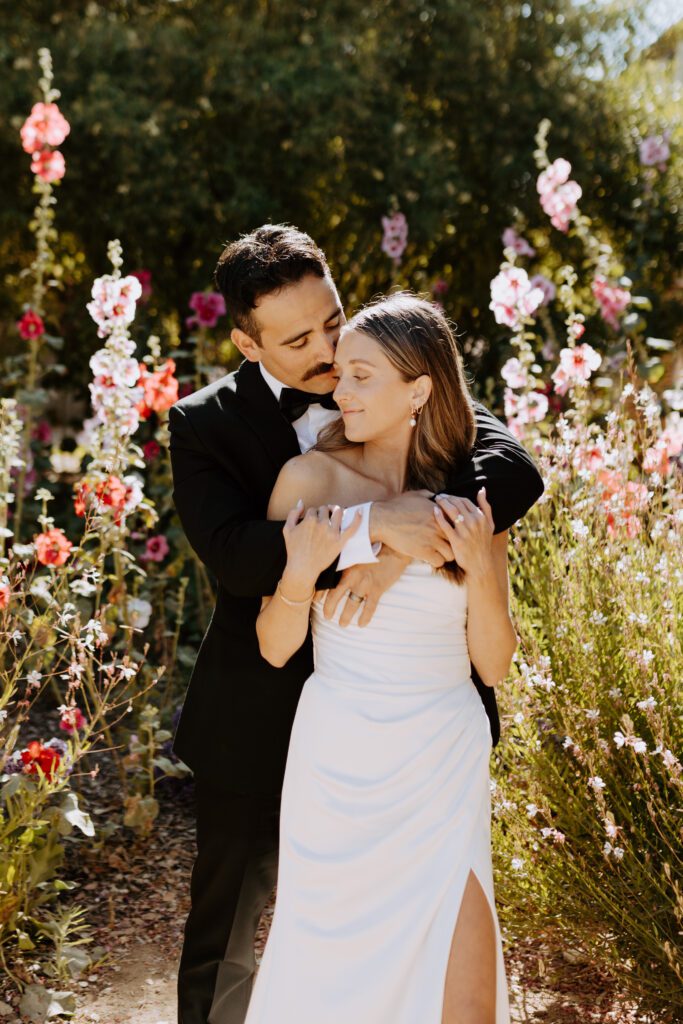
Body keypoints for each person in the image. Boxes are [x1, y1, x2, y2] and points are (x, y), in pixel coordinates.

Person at [169, 225, 544, 1024]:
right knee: (232, 942)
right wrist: (380, 525)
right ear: (246, 340)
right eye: (300, 339)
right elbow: (240, 562)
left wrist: (407, 550)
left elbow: (512, 469)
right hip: (271, 712)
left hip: (425, 725)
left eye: (334, 322)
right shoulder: (204, 424)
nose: (330, 354)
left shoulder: (395, 379)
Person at [242, 292, 516, 1024]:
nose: (340, 388)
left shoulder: (472, 496)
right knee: (329, 979)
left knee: (464, 990)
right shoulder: (310, 481)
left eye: (362, 376)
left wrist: (479, 570)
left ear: (418, 391)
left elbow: (492, 665)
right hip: (338, 756)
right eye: (343, 374)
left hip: (441, 751)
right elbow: (273, 646)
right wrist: (299, 574)